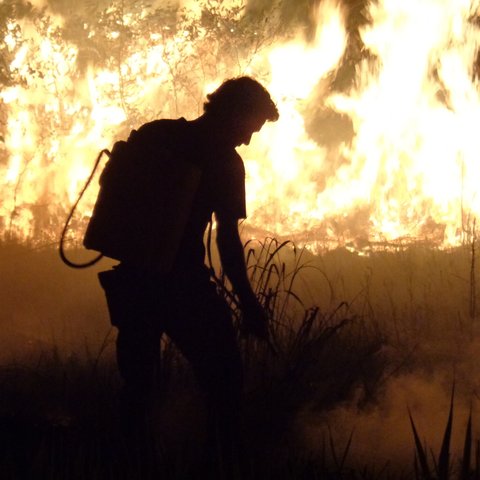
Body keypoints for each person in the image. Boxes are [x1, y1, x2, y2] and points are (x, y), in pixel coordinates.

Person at [97, 76, 279, 476]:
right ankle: (218, 464)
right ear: (234, 114)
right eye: (250, 128)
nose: (248, 140)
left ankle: (131, 463)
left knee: (138, 385)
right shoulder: (225, 162)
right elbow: (228, 243)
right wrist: (248, 303)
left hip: (133, 278)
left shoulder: (155, 134)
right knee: (226, 378)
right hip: (182, 286)